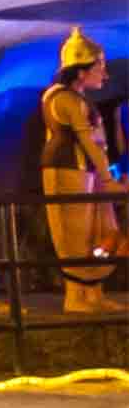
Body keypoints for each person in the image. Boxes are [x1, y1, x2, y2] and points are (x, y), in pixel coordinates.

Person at [46, 29, 115, 314]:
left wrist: (106, 174)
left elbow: (97, 143)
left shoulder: (81, 99)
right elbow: (86, 140)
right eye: (100, 67)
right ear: (81, 71)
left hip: (89, 173)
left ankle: (94, 292)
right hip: (68, 172)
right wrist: (108, 178)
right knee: (74, 234)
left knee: (100, 232)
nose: (104, 74)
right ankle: (75, 296)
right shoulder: (63, 98)